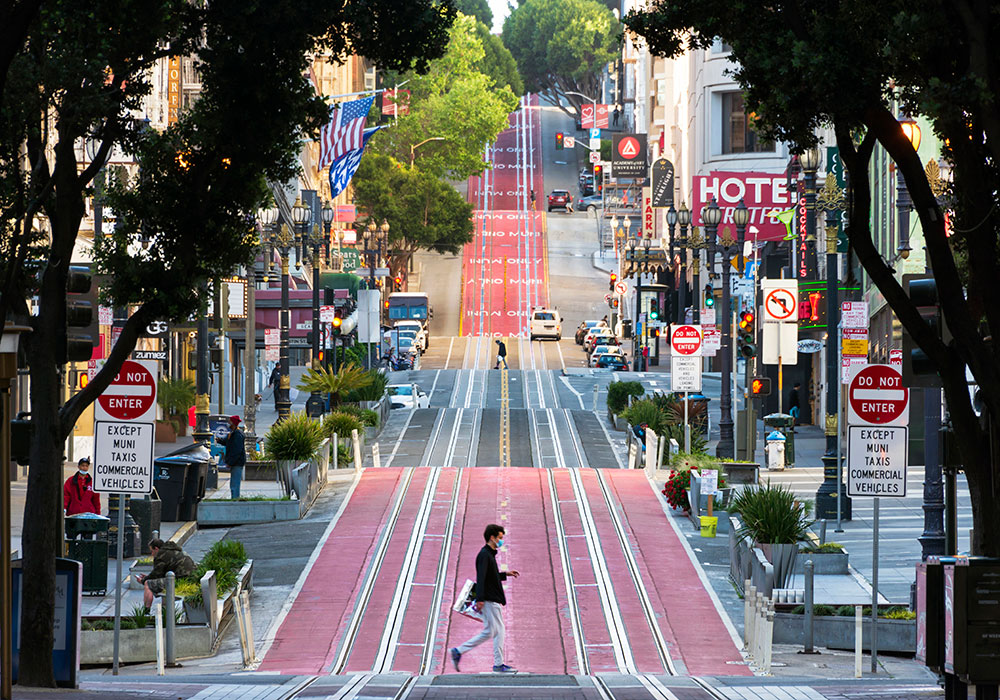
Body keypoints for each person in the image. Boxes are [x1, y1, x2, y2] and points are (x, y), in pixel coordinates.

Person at [450, 524, 520, 673]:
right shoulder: (484, 555)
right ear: (492, 537)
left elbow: (490, 576)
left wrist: (505, 574)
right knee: (499, 630)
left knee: (491, 631)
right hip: (489, 598)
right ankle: (498, 664)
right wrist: (480, 599)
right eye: (500, 538)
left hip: (490, 598)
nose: (501, 541)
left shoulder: (489, 554)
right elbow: (481, 578)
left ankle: (458, 651)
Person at [136, 538, 196, 608]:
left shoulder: (161, 555)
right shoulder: (174, 550)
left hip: (180, 580)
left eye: (152, 551)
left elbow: (157, 574)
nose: (152, 554)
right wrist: (148, 577)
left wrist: (143, 580)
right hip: (192, 578)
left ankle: (146, 610)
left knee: (148, 584)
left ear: (156, 549)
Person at [217, 415, 246, 499]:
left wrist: (230, 462)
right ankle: (234, 498)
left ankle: (235, 499)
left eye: (229, 421)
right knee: (233, 482)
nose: (228, 423)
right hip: (235, 462)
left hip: (237, 462)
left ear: (233, 423)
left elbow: (236, 450)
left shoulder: (237, 434)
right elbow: (229, 442)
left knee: (235, 482)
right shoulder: (233, 433)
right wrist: (220, 441)